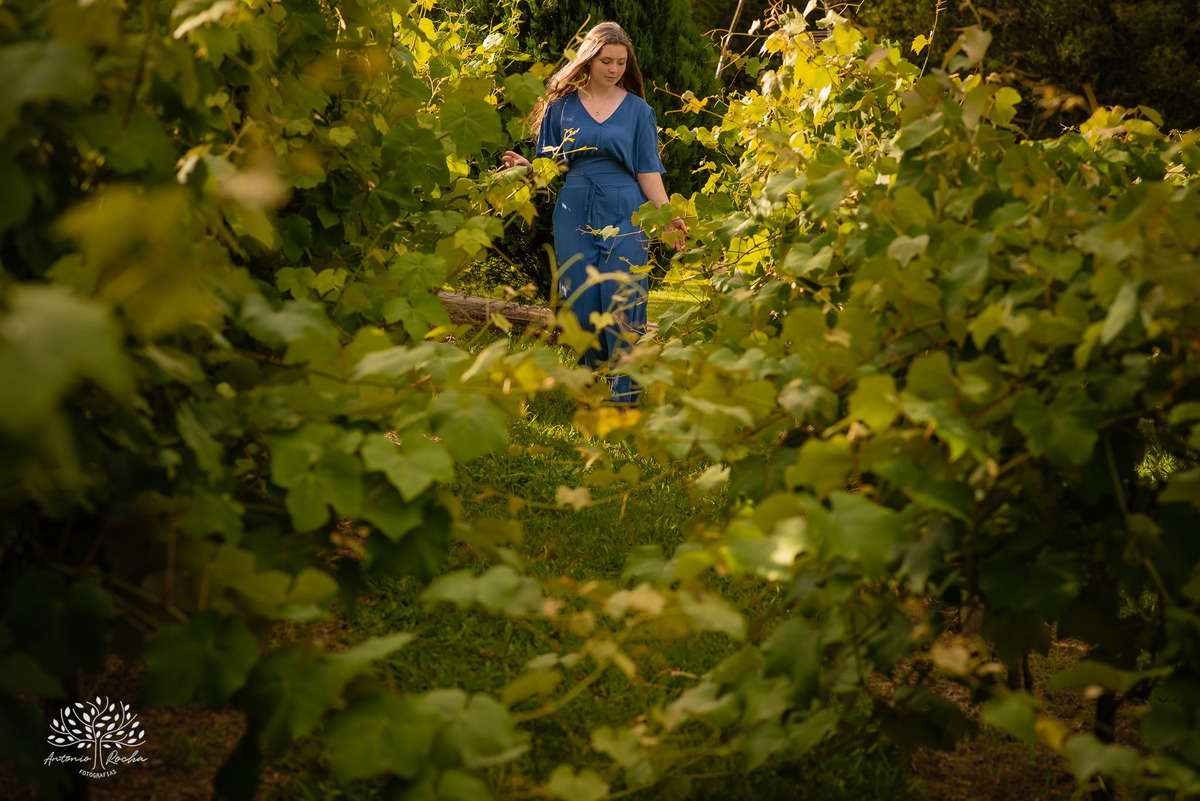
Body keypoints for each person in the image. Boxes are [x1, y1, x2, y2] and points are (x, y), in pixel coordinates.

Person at [502, 22, 687, 405]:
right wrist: (528, 166)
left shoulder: (639, 111)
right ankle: (593, 382)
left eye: (621, 62)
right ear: (588, 60)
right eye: (607, 61)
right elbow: (549, 167)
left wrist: (665, 215)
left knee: (622, 296)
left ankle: (626, 397)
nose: (614, 69)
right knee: (581, 301)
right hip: (574, 208)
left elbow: (647, 171)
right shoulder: (561, 106)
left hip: (625, 208)